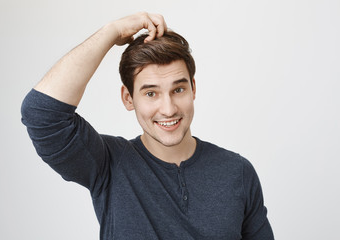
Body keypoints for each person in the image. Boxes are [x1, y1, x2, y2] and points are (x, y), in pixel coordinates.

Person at [21, 12, 274, 239]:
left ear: (193, 89)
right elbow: (41, 114)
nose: (168, 108)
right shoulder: (107, 164)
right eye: (151, 93)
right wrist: (112, 31)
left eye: (178, 89)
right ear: (128, 98)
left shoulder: (237, 172)